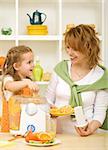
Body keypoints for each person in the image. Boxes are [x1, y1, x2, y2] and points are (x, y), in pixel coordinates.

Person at [45, 24, 108, 136]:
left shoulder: (101, 76)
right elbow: (47, 101)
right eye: (68, 47)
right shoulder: (60, 69)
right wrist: (50, 111)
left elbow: (100, 112)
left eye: (75, 49)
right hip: (58, 135)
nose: (69, 53)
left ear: (89, 47)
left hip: (87, 137)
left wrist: (90, 129)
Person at [1, 45, 39, 132]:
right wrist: (26, 82)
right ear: (16, 66)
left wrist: (36, 95)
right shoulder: (9, 79)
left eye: (33, 61)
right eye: (29, 62)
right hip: (10, 129)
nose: (33, 65)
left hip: (26, 126)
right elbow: (9, 86)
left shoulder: (28, 81)